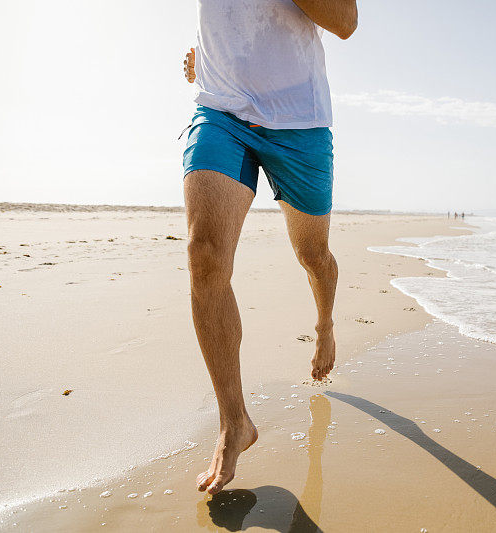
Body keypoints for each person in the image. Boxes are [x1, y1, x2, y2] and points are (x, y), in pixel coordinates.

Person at [180, 0, 358, 496]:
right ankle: (234, 421)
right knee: (205, 254)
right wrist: (205, 52)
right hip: (221, 110)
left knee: (313, 256)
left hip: (299, 123)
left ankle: (325, 325)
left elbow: (345, 21)